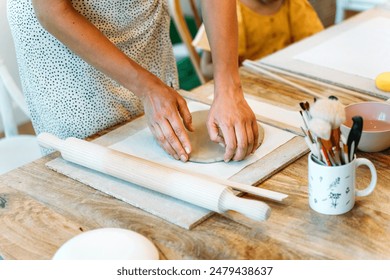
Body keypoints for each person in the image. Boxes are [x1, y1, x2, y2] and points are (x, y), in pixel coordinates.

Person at [7, 0, 259, 163]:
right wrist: (147, 87)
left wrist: (228, 87)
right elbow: (52, 11)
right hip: (66, 38)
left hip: (137, 17)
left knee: (154, 145)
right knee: (93, 163)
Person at [194, 0, 324, 79]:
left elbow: (314, 43)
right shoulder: (228, 11)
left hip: (287, 78)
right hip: (248, 86)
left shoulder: (293, 3)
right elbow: (206, 67)